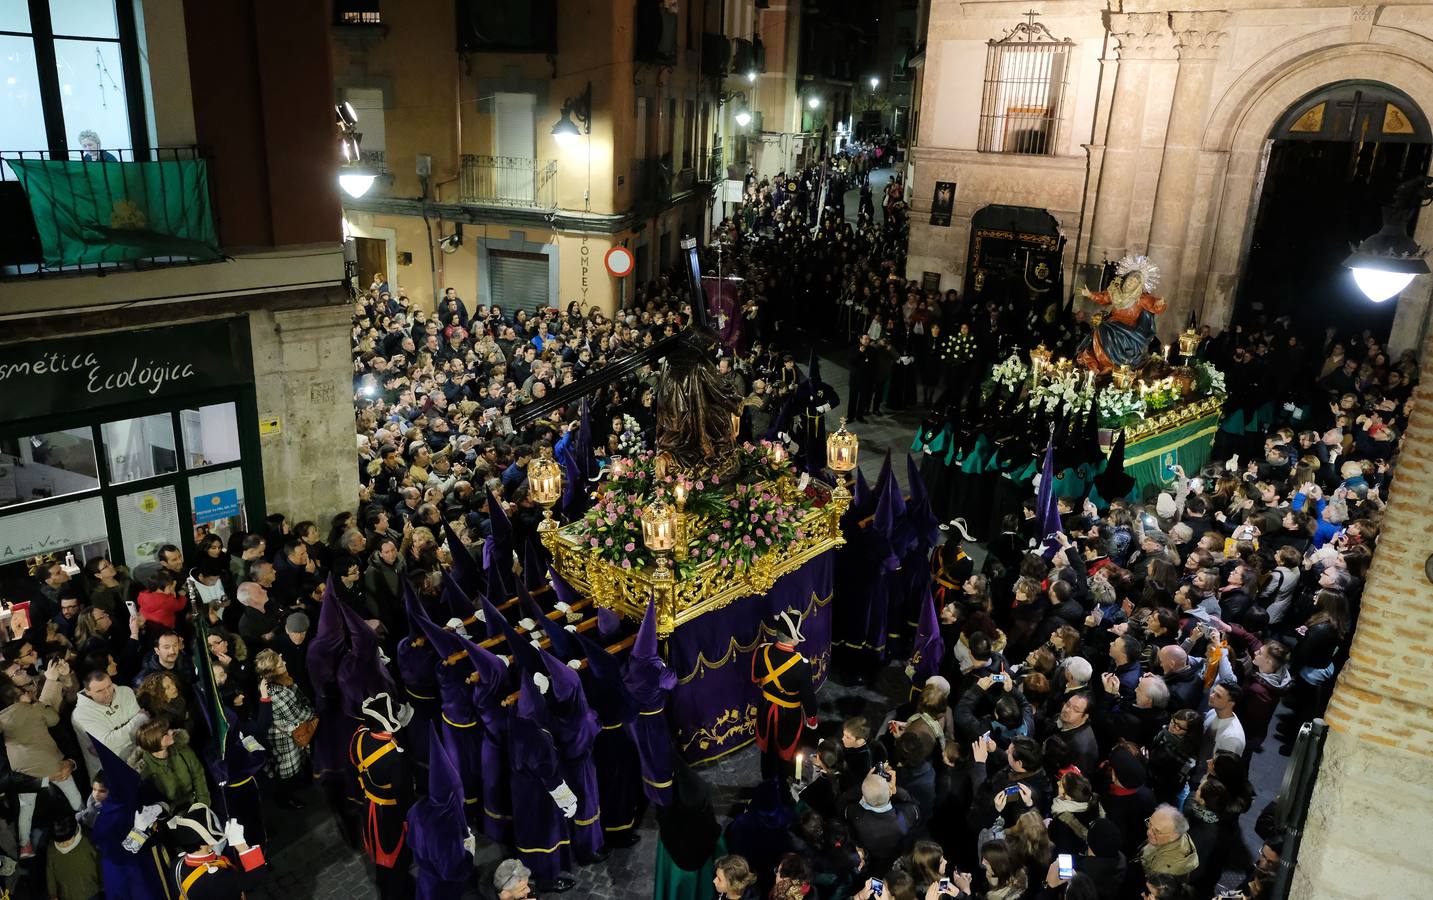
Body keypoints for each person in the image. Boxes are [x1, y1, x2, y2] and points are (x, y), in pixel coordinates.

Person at [254, 649, 312, 811]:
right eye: (280, 664)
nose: (284, 663)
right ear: (272, 672)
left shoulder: (279, 683)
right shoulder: (277, 694)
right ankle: (284, 800)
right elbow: (297, 715)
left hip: (286, 734)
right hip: (285, 740)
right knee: (287, 773)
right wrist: (313, 713)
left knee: (288, 770)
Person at [71, 670, 144, 781]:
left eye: (109, 686)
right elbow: (108, 745)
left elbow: (142, 730)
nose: (108, 693)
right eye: (100, 691)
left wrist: (114, 739)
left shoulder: (125, 691)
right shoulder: (80, 714)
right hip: (109, 772)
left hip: (140, 757)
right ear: (87, 691)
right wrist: (139, 719)